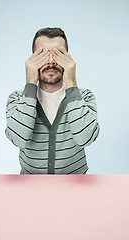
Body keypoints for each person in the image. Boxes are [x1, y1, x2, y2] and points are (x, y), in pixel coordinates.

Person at [5, 27, 100, 175]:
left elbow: (85, 139)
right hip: (29, 188)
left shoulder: (84, 96)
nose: (51, 61)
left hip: (75, 187)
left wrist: (72, 83)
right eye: (42, 55)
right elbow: (19, 139)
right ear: (32, 60)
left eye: (58, 54)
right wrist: (30, 82)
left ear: (68, 58)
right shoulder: (17, 99)